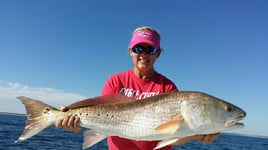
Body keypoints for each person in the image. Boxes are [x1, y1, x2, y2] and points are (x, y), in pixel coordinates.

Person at [55, 26, 220, 150]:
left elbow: (175, 135)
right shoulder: (115, 81)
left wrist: (196, 135)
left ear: (158, 53)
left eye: (150, 49)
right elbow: (99, 115)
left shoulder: (168, 87)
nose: (143, 54)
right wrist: (72, 118)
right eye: (138, 48)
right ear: (130, 51)